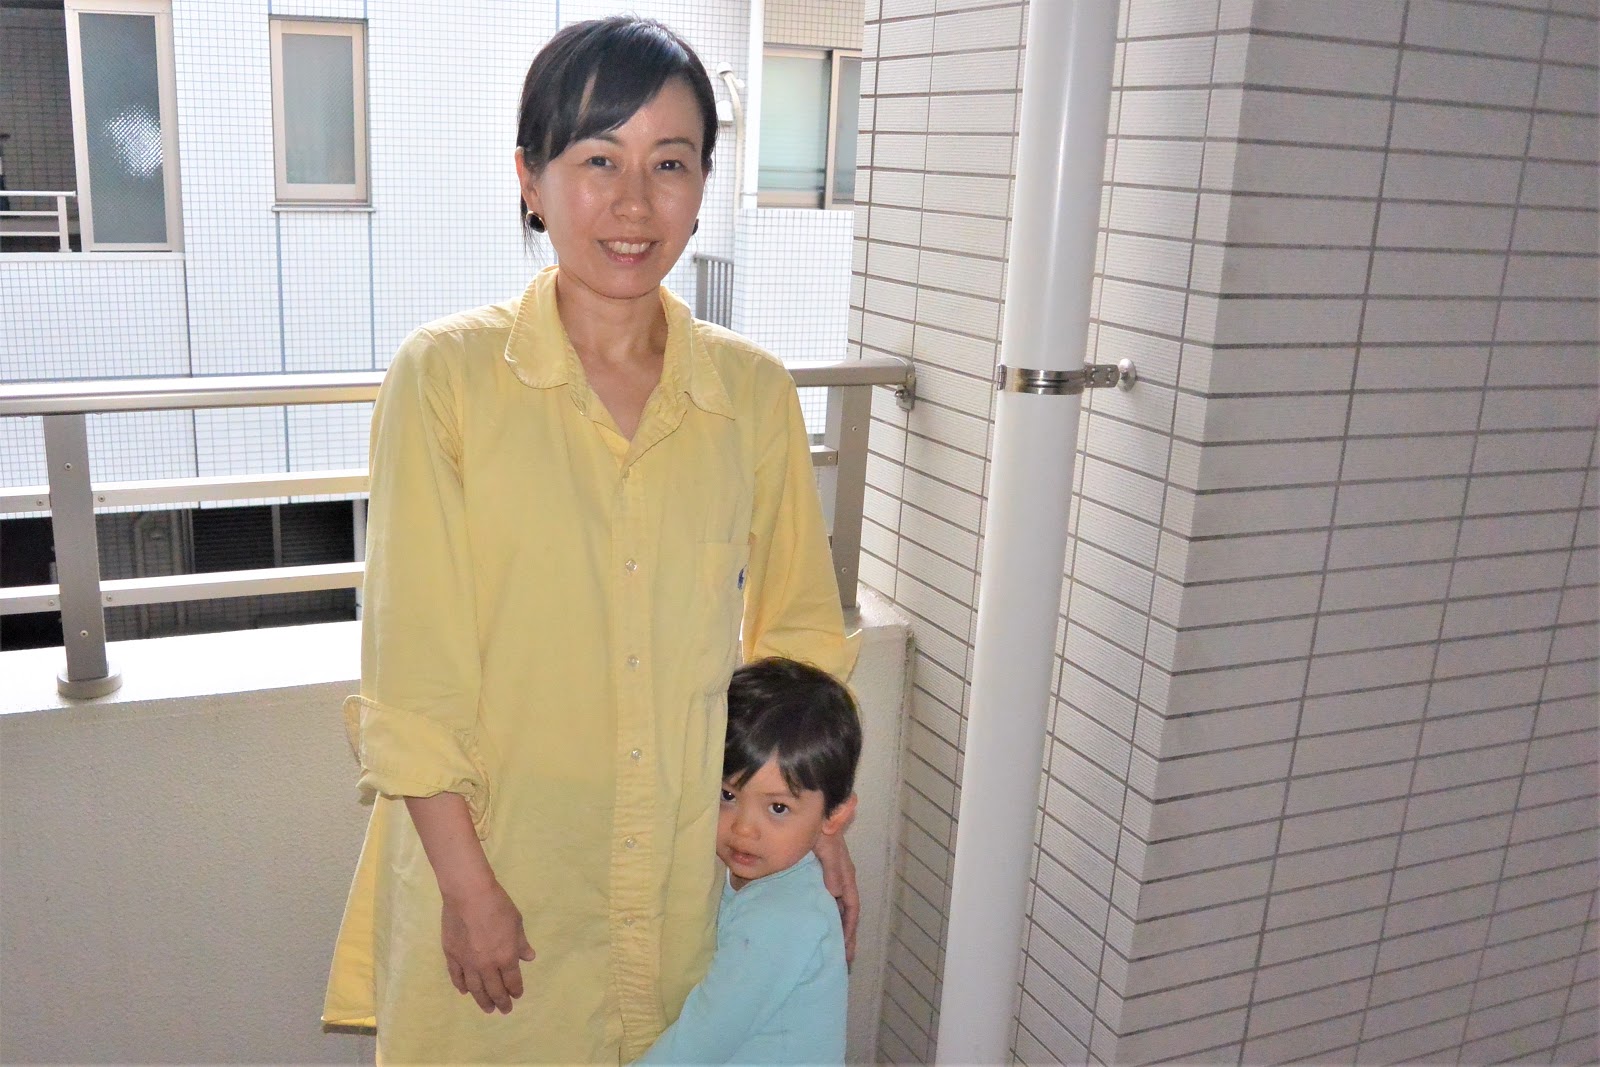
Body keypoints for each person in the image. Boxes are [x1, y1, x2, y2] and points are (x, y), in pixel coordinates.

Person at [321, 16, 858, 1063]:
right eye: (598, 160)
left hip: (681, 888)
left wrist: (814, 827)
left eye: (670, 163)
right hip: (502, 879)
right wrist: (467, 888)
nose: (634, 203)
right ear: (531, 178)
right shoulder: (447, 378)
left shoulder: (751, 393)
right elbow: (412, 671)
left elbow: (798, 638)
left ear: (703, 186)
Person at [635, 658, 862, 1066]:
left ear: (835, 817)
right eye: (727, 796)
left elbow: (698, 1044)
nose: (743, 829)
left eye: (777, 808)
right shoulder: (758, 879)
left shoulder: (783, 916)